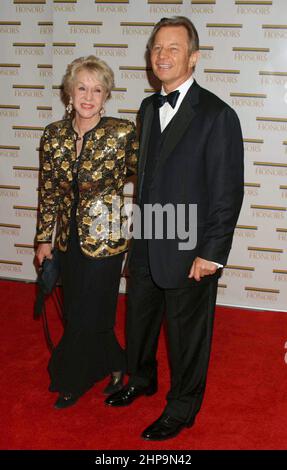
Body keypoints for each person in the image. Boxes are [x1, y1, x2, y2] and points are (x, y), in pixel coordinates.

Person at [105, 17, 244, 440]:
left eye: (174, 48)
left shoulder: (218, 115)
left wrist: (212, 253)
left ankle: (182, 408)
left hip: (190, 246)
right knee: (140, 322)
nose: (162, 56)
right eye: (157, 48)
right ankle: (142, 379)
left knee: (187, 336)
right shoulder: (148, 108)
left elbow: (227, 191)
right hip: (148, 237)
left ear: (193, 57)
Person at [35, 55, 138, 409]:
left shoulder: (122, 133)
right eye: (82, 87)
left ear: (106, 95)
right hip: (68, 240)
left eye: (97, 89)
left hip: (106, 240)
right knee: (79, 308)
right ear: (69, 92)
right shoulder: (54, 135)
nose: (89, 96)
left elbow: (151, 177)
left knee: (90, 311)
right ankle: (115, 363)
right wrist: (43, 240)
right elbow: (49, 192)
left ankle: (74, 379)